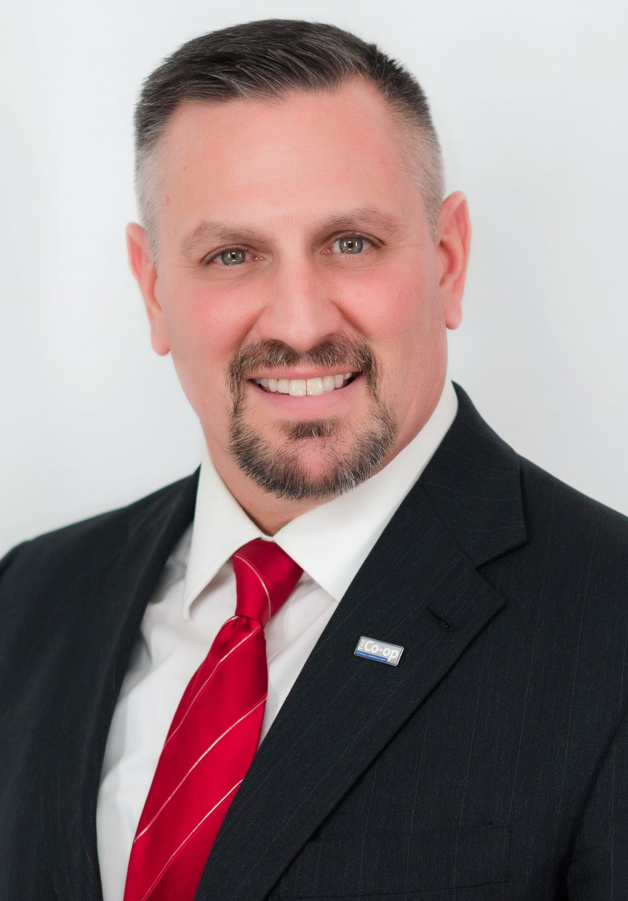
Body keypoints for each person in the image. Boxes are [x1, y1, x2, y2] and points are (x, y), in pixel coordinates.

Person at [1, 18, 627, 901]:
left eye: (351, 243)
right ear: (151, 289)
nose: (299, 323)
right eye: (231, 255)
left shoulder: (609, 622)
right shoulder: (30, 600)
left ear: (447, 260)